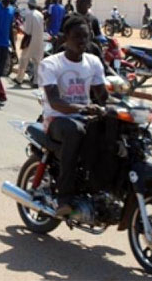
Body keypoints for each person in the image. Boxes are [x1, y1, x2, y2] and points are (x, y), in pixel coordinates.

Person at [39, 16, 108, 216]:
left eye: (85, 37)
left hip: (84, 116)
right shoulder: (50, 64)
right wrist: (83, 108)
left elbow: (101, 95)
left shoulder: (93, 62)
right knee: (75, 131)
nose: (82, 42)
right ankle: (64, 198)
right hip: (56, 119)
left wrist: (117, 98)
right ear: (64, 38)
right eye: (77, 36)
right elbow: (54, 101)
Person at [13, 0, 44, 87]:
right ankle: (36, 82)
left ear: (29, 5)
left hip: (30, 40)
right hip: (39, 41)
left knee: (23, 59)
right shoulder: (40, 15)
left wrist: (23, 42)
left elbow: (27, 31)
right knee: (37, 62)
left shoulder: (29, 14)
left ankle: (19, 79)